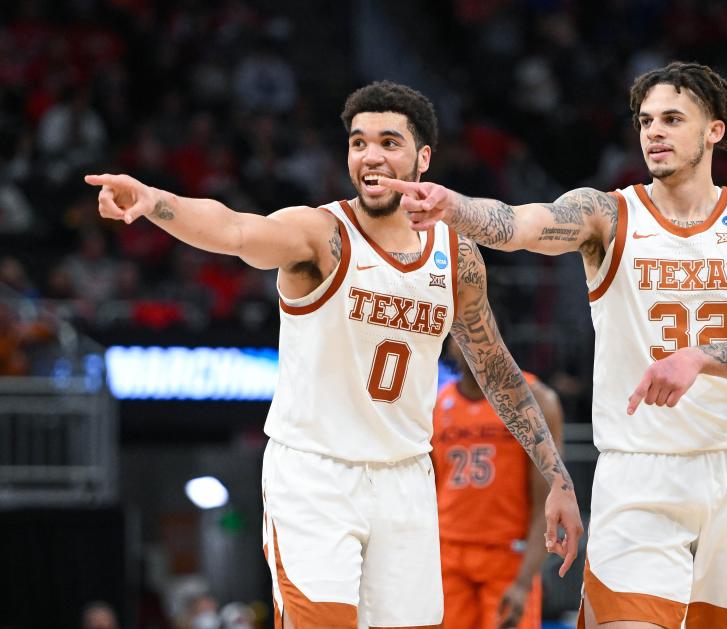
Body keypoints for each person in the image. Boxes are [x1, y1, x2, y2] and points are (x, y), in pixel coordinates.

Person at [85, 81, 582, 629]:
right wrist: (156, 201)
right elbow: (233, 229)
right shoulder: (321, 234)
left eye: (389, 142)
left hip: (407, 479)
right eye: (358, 142)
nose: (370, 156)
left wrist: (557, 476)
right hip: (315, 475)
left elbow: (496, 369)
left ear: (423, 158)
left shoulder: (456, 255)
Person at [383, 61, 727, 628]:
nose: (654, 131)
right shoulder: (607, 214)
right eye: (646, 120)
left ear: (714, 130)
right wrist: (456, 208)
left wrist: (699, 357)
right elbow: (523, 223)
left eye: (672, 119)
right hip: (639, 471)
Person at [432, 339, 564, 629]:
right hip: (447, 556)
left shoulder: (534, 399)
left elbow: (549, 499)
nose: (465, 343)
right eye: (457, 335)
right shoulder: (437, 405)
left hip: (508, 557)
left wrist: (524, 582)